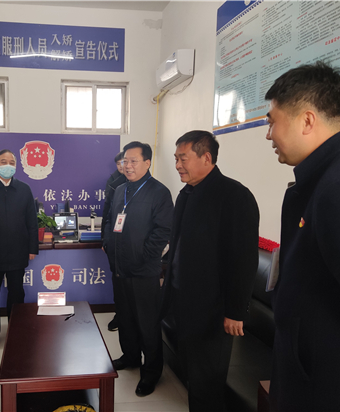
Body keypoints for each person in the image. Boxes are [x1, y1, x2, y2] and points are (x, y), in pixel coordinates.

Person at [265, 62, 340, 411]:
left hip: (330, 385)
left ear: (307, 120)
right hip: (307, 370)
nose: (269, 135)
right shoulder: (324, 177)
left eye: (272, 122)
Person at [162, 130, 259, 412]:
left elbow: (243, 259)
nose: (177, 165)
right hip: (182, 301)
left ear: (206, 158)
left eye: (183, 158)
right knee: (193, 375)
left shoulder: (234, 196)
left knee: (207, 379)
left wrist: (235, 311)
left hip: (212, 309)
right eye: (176, 159)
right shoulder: (186, 194)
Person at [103, 141, 173, 397]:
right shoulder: (120, 189)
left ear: (147, 162)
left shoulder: (159, 192)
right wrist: (108, 244)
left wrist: (145, 258)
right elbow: (111, 219)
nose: (128, 166)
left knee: (147, 323)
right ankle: (130, 357)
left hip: (144, 272)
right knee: (125, 317)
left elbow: (163, 231)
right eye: (125, 161)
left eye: (133, 161)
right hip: (119, 268)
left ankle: (151, 372)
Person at [0, 149, 39, 351]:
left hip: (18, 251)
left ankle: (16, 331)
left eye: (12, 162)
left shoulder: (24, 189)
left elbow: (32, 221)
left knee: (17, 294)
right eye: (3, 161)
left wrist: (32, 248)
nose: (8, 165)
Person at [101, 151, 126, 332]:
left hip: (136, 247)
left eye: (129, 162)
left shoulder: (153, 189)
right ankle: (120, 315)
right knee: (118, 283)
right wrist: (105, 238)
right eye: (121, 163)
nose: (125, 166)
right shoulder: (114, 184)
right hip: (115, 242)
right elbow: (107, 213)